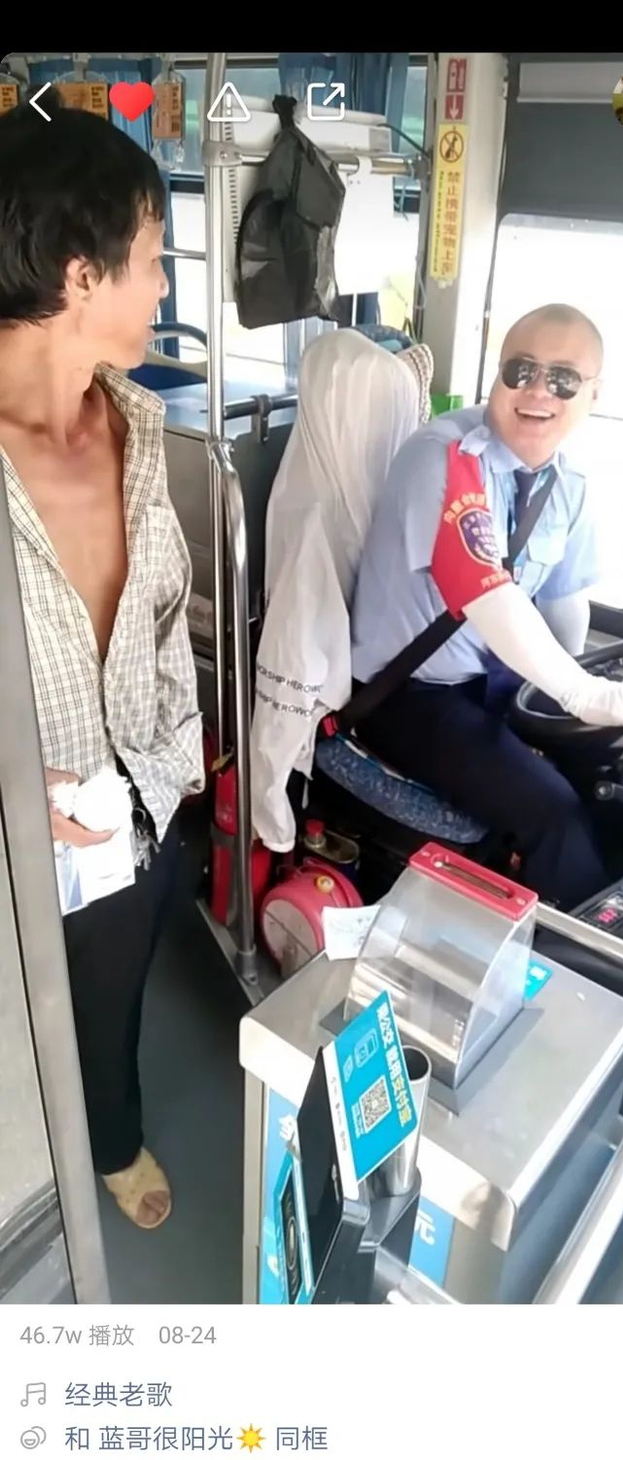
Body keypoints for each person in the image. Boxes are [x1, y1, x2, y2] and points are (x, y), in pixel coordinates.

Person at [0, 99, 204, 1227]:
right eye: (154, 258)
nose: (163, 289)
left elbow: (164, 612)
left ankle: (113, 1133)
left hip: (144, 797)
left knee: (116, 984)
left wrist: (174, 751)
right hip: (23, 839)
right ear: (82, 274)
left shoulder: (137, 426)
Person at [351, 304, 623, 909]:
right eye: (520, 370)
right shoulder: (444, 457)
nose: (537, 392)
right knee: (552, 812)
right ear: (497, 375)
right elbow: (486, 592)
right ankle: (584, 956)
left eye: (563, 379)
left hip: (498, 681)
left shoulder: (567, 485)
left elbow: (563, 608)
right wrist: (581, 694)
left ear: (594, 394)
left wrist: (579, 700)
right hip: (409, 694)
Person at [250, 328, 433, 852]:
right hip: (362, 704)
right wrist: (270, 798)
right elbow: (293, 661)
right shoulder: (322, 519)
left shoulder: (312, 485)